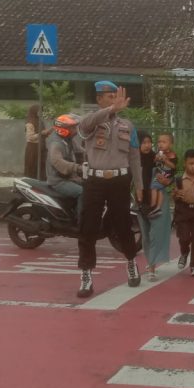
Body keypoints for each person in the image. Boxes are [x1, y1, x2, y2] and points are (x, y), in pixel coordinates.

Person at [74, 81, 143, 298]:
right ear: (99, 99)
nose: (115, 100)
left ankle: (131, 262)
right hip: (95, 182)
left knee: (123, 226)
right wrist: (111, 109)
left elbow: (134, 157)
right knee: (88, 228)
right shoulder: (91, 122)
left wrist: (139, 185)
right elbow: (84, 126)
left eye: (116, 97)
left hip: (119, 181)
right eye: (110, 97)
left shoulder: (127, 126)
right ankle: (86, 275)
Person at [138, 132, 175, 282]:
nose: (147, 145)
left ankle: (152, 267)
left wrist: (168, 182)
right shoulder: (133, 159)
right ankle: (150, 261)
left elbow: (171, 174)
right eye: (143, 142)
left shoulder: (157, 158)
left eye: (149, 142)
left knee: (156, 234)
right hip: (141, 201)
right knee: (146, 235)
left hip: (158, 199)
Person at [45, 113, 84, 223]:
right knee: (83, 192)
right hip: (59, 181)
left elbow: (81, 151)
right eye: (72, 128)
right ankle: (81, 221)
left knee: (91, 187)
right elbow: (58, 162)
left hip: (69, 178)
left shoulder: (68, 140)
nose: (75, 130)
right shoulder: (56, 143)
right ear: (63, 129)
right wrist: (77, 168)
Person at [173, 148, 194, 277]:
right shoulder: (179, 179)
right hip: (183, 210)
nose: (193, 166)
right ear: (185, 163)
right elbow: (174, 196)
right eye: (191, 163)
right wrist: (176, 195)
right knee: (184, 237)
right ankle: (184, 252)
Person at [148, 132, 178, 218]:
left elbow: (173, 166)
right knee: (159, 190)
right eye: (159, 142)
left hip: (166, 175)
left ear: (170, 144)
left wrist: (166, 160)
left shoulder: (172, 155)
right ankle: (158, 207)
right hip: (160, 173)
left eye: (164, 142)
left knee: (154, 187)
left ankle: (153, 205)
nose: (160, 144)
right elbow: (155, 163)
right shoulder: (158, 153)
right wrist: (156, 159)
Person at [24, 104, 50, 180]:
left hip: (41, 147)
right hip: (33, 148)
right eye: (39, 111)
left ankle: (41, 182)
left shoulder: (40, 121)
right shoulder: (30, 122)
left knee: (41, 167)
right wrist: (41, 133)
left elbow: (42, 135)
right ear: (34, 111)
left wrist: (47, 133)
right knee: (33, 167)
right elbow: (30, 137)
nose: (41, 113)